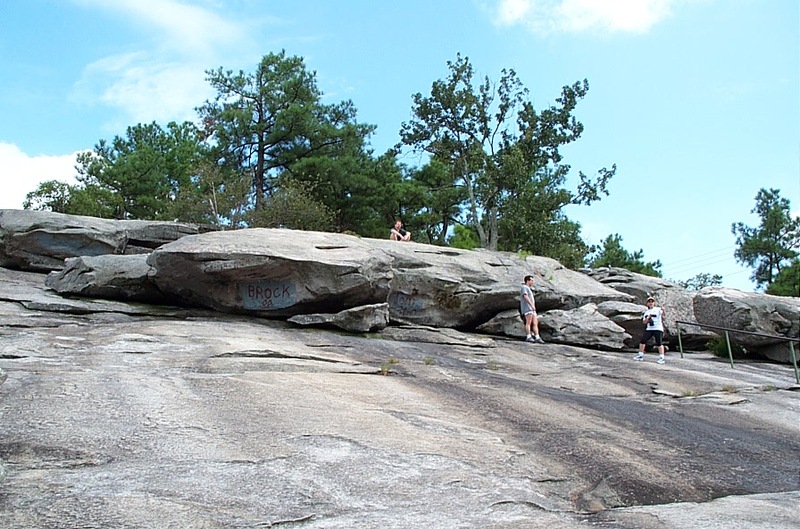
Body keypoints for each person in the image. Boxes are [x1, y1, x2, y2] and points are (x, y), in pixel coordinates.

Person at [635, 296, 666, 364]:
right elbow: (644, 322)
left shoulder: (658, 309)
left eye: (652, 302)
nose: (651, 303)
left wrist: (663, 310)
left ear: (654, 303)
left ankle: (662, 358)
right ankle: (640, 355)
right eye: (649, 302)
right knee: (643, 341)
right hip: (649, 328)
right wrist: (648, 318)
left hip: (658, 328)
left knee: (659, 342)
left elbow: (663, 315)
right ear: (647, 303)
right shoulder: (646, 312)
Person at [520, 275, 544, 344]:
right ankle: (528, 336)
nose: (533, 282)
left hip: (532, 309)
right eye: (532, 280)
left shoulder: (529, 288)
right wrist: (531, 305)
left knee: (535, 323)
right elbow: (525, 296)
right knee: (528, 322)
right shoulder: (524, 287)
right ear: (527, 281)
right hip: (528, 308)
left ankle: (537, 337)